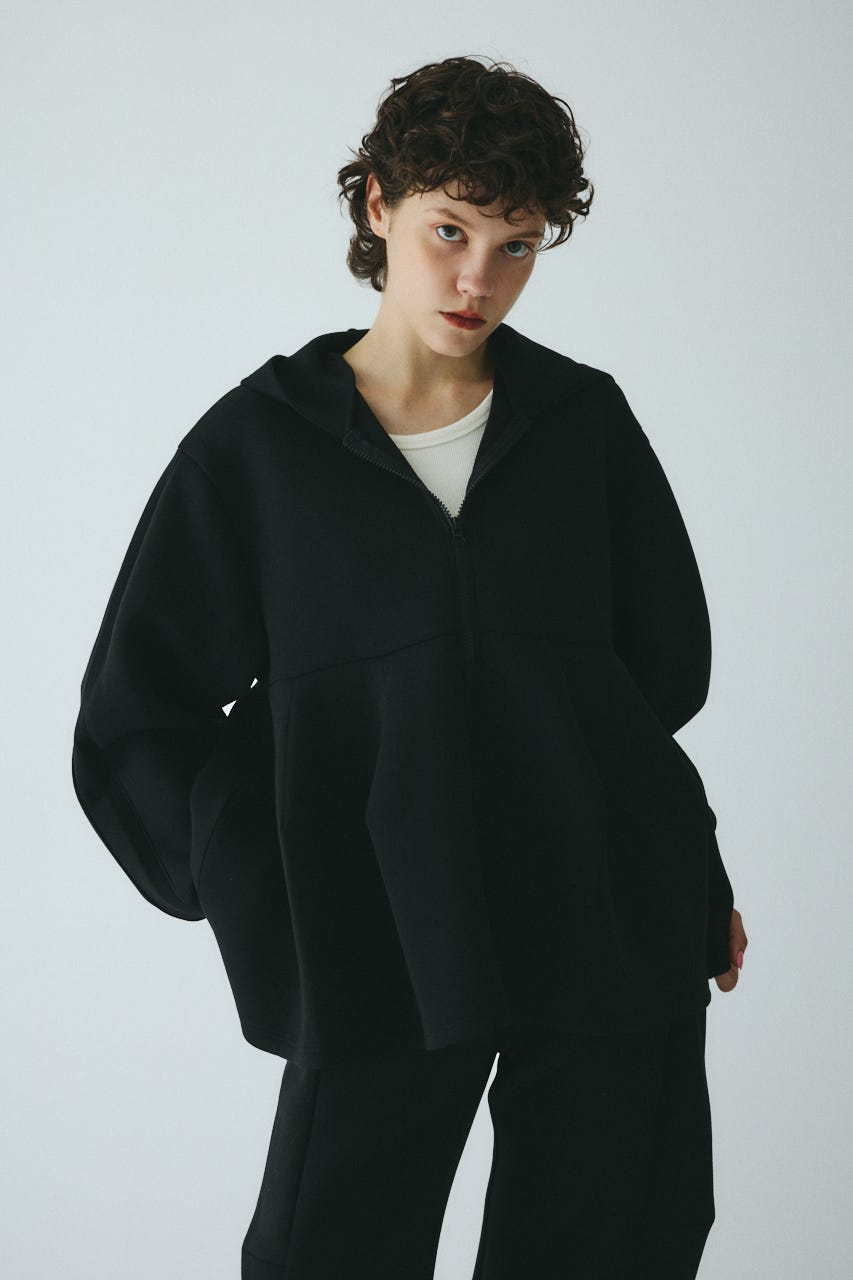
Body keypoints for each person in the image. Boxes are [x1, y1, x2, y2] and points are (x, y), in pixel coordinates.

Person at [71, 53, 748, 1279]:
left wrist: (690, 878)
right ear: (378, 204)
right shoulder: (261, 446)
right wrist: (257, 865)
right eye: (450, 230)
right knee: (327, 1246)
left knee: (608, 1241)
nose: (478, 279)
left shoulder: (582, 423)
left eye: (516, 245)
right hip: (375, 928)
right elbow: (138, 711)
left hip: (603, 911)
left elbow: (651, 685)